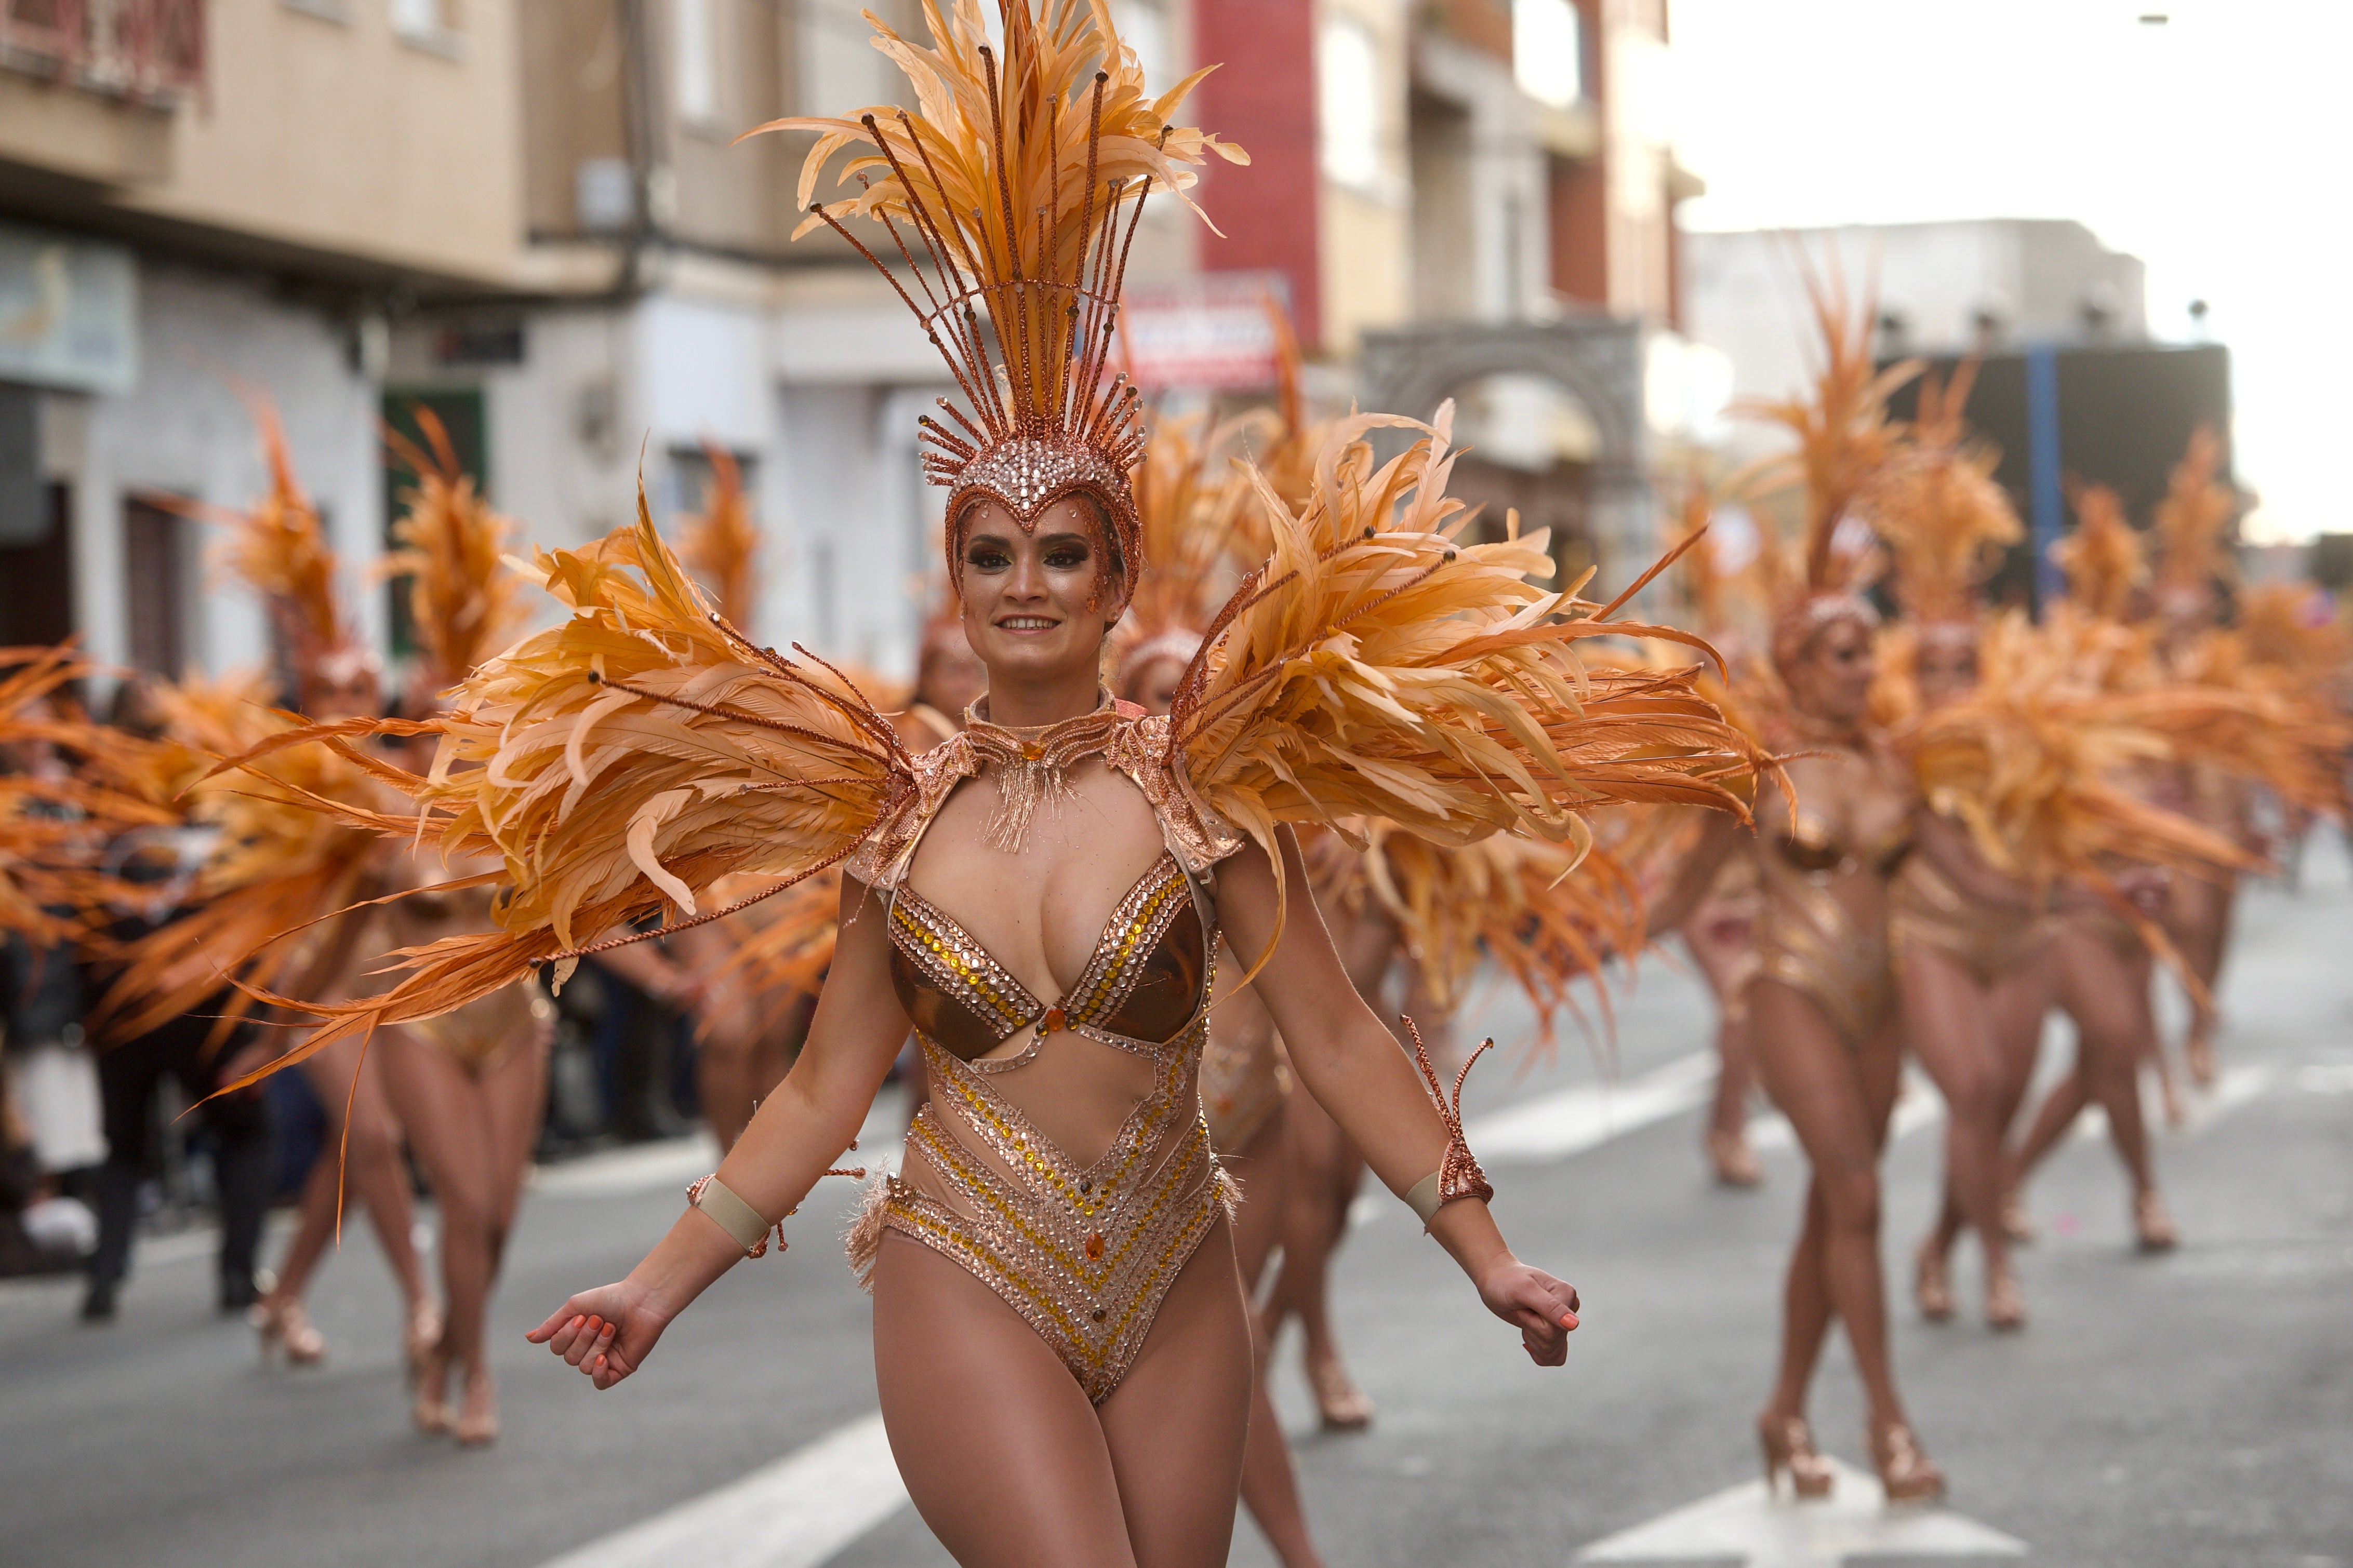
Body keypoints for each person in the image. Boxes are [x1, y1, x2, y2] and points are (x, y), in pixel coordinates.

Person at [208, 8, 1762, 1558]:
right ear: (952, 578)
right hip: (967, 1261)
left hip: (1175, 1266)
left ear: (1115, 577)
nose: (1028, 582)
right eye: (992, 554)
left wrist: (1485, 1255)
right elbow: (825, 1087)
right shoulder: (887, 809)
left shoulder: (1203, 792)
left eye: (1062, 553)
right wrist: (656, 1284)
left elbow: (1341, 1042)